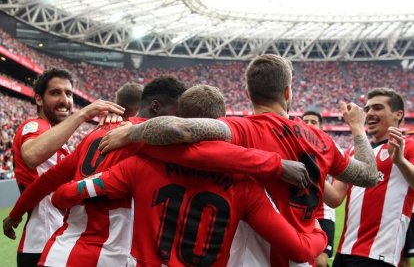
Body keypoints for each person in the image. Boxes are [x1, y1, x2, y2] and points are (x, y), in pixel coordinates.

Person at [97, 54, 378, 266]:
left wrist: (132, 132)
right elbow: (367, 175)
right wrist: (357, 128)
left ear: (247, 94)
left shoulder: (242, 129)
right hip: (302, 253)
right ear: (288, 92)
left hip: (252, 257)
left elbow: (178, 129)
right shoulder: (324, 140)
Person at [50, 85, 328, 266]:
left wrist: (68, 198)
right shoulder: (244, 186)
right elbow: (300, 250)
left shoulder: (141, 163)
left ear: (183, 118)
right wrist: (319, 234)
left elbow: (64, 194)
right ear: (219, 123)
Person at [11, 68, 124, 267]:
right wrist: (83, 113)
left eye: (69, 93)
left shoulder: (56, 138)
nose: (65, 100)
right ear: (39, 99)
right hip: (42, 240)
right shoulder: (36, 126)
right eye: (56, 93)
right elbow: (31, 155)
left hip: (52, 239)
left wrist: (14, 216)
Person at [333, 88, 414, 267]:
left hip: (378, 255)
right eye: (367, 109)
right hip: (343, 252)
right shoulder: (354, 151)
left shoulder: (409, 146)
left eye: (377, 108)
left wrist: (399, 161)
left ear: (398, 114)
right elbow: (334, 198)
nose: (369, 113)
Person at [303, 111, 336, 267]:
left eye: (313, 122)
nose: (309, 124)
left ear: (321, 127)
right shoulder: (294, 147)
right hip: (302, 211)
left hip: (323, 212)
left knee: (321, 261)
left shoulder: (329, 149)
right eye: (306, 121)